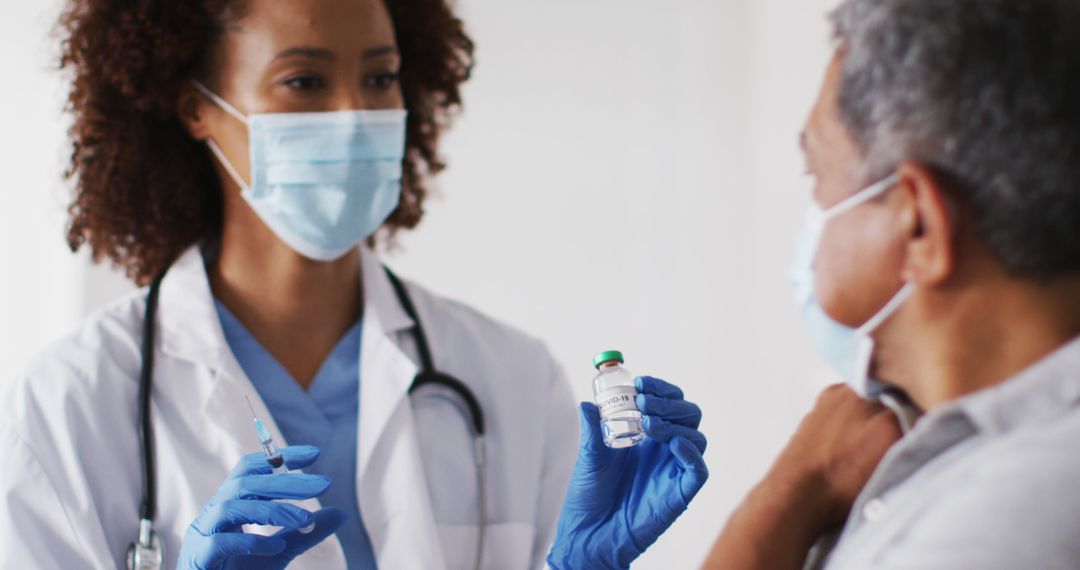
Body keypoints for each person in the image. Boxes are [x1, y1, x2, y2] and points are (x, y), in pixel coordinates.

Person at [0, 0, 708, 568]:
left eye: (379, 77)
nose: (355, 115)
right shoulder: (74, 397)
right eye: (305, 81)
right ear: (197, 107)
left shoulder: (512, 377)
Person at [697, 0, 1080, 567]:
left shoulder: (1000, 524)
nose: (812, 220)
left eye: (818, 176)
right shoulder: (967, 453)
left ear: (919, 223)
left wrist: (791, 489)